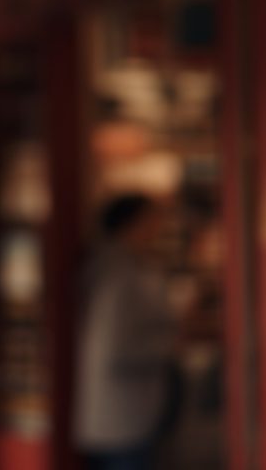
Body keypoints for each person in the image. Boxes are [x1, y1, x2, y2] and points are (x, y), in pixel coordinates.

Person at [74, 194, 176, 470]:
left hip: (118, 415)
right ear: (132, 223)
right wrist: (169, 346)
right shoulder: (119, 274)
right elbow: (115, 349)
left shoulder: (124, 266)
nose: (159, 229)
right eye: (153, 221)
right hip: (120, 418)